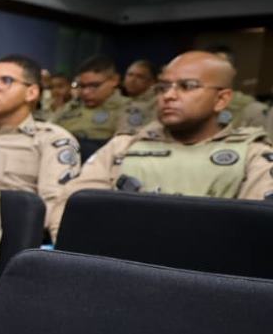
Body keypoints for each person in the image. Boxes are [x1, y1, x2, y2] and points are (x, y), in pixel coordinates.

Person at [50, 51, 273, 237]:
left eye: (187, 86)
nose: (169, 96)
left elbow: (256, 237)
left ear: (221, 99)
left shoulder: (253, 156)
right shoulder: (123, 147)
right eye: (163, 87)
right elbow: (71, 210)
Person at [0, 55, 80, 236]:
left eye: (6, 81)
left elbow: (55, 205)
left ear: (31, 92)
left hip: (12, 235)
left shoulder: (51, 139)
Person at [53, 54, 129, 141]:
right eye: (82, 86)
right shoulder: (71, 106)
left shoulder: (127, 109)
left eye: (94, 85)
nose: (85, 92)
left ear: (114, 80)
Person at [205, 45, 270, 129]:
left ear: (233, 71)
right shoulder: (194, 103)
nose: (213, 71)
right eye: (208, 66)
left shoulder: (251, 108)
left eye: (221, 66)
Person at [118, 59, 159, 134]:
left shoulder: (156, 103)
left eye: (140, 77)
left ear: (152, 82)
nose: (132, 80)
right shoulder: (119, 100)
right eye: (130, 75)